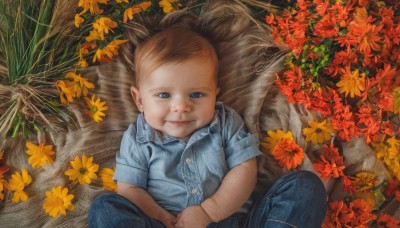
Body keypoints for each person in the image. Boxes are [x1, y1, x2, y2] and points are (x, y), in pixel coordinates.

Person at [89, 23, 327, 228]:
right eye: (163, 95)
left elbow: (244, 169)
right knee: (105, 207)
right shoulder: (138, 137)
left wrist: (209, 211)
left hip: (228, 219)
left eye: (196, 94)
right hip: (163, 222)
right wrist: (161, 217)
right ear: (139, 100)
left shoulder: (225, 122)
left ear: (215, 95)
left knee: (305, 187)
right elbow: (130, 188)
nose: (181, 106)